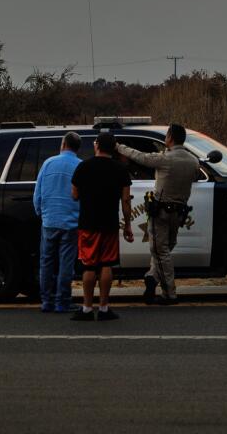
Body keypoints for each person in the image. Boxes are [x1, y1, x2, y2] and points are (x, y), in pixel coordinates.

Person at [117, 123, 200, 306]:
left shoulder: (165, 159)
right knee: (167, 248)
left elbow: (139, 157)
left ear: (170, 137)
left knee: (159, 251)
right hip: (179, 213)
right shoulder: (193, 161)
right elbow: (195, 177)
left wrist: (119, 147)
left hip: (160, 211)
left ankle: (169, 292)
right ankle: (152, 277)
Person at [70, 132, 134, 321]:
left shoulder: (83, 167)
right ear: (114, 148)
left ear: (97, 145)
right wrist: (128, 226)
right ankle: (104, 308)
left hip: (88, 223)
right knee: (107, 264)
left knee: (89, 266)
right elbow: (125, 201)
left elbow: (74, 195)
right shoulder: (120, 169)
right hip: (110, 223)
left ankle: (87, 308)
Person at [33, 131, 82, 313]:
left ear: (63, 144)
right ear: (77, 148)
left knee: (46, 262)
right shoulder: (80, 166)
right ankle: (63, 301)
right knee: (65, 263)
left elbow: (38, 192)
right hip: (71, 221)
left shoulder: (48, 163)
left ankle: (46, 301)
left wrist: (41, 212)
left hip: (49, 220)